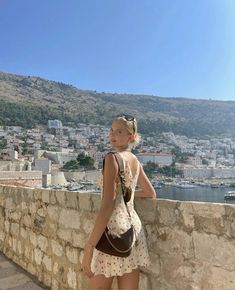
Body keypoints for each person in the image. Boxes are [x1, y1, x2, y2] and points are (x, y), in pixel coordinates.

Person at [82, 115, 156, 290]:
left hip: (113, 231)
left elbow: (108, 204)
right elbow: (149, 192)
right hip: (132, 230)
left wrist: (90, 246)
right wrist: (125, 195)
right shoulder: (135, 160)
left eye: (120, 131)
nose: (113, 134)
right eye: (112, 130)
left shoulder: (112, 158)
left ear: (131, 136)